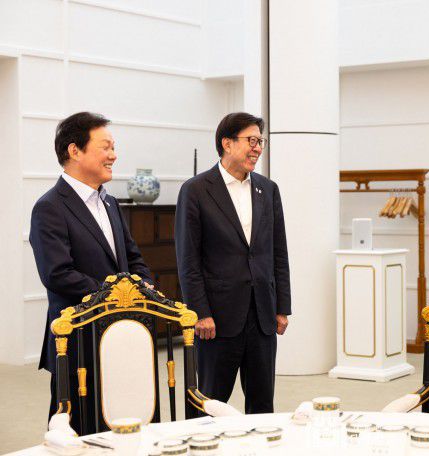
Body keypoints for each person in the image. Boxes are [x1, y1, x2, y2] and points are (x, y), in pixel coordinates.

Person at [29, 112, 152, 434]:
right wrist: (118, 297)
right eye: (105, 147)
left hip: (120, 336)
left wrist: (143, 288)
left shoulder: (109, 203)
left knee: (119, 425)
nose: (114, 155)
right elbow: (57, 274)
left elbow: (133, 259)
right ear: (75, 151)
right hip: (76, 341)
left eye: (114, 147)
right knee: (76, 432)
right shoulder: (50, 207)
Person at [175, 112, 291, 414]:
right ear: (227, 143)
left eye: (260, 142)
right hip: (216, 320)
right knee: (210, 404)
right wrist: (199, 312)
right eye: (251, 140)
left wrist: (282, 307)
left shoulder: (268, 189)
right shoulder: (196, 190)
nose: (258, 148)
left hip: (262, 315)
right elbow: (188, 259)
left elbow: (278, 252)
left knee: (263, 404)